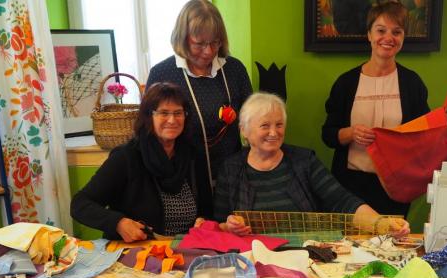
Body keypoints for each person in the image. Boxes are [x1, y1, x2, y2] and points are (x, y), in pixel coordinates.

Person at [321, 1, 447, 217]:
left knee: (392, 246)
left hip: (395, 186)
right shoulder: (346, 83)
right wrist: (352, 133)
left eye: (397, 32)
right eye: (381, 30)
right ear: (369, 35)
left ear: (403, 38)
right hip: (349, 186)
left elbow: (423, 135)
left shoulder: (411, 83)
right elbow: (328, 135)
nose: (388, 38)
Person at [215, 92, 410, 237]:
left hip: (304, 256)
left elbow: (342, 201)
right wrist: (229, 226)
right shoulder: (231, 168)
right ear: (244, 131)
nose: (274, 132)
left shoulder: (304, 161)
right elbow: (220, 223)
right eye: (265, 125)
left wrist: (383, 223)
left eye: (279, 124)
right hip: (250, 259)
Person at [146, 0, 252, 216]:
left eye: (215, 42)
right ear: (183, 38)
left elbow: (251, 119)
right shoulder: (162, 73)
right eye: (199, 44)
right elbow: (150, 130)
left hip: (232, 177)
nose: (209, 51)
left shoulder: (234, 69)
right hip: (184, 180)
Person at [70, 82, 206, 241]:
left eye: (178, 113)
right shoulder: (126, 157)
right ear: (149, 116)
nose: (172, 120)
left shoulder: (192, 155)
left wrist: (203, 221)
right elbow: (79, 204)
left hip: (185, 247)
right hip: (137, 251)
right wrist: (118, 223)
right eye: (163, 113)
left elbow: (205, 208)